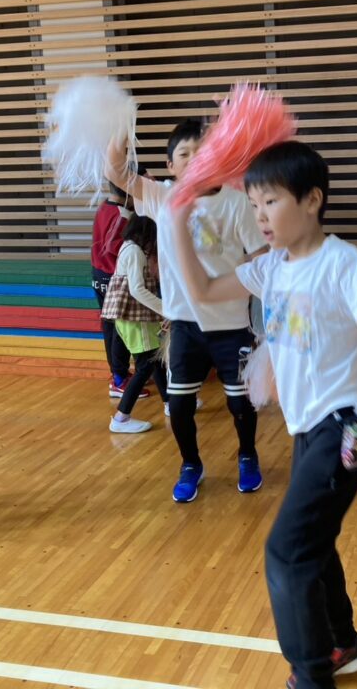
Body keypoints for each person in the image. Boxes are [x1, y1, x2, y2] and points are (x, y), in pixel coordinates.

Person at [172, 140, 357, 689]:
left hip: (349, 423)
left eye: (271, 202)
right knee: (314, 541)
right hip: (311, 428)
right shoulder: (270, 268)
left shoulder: (342, 261)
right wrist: (177, 224)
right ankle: (342, 643)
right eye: (254, 205)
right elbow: (204, 290)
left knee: (286, 552)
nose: (260, 216)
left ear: (312, 200)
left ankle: (311, 676)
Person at [106, 119, 267, 503]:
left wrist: (256, 290)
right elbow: (115, 171)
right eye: (185, 154)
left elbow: (261, 255)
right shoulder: (163, 197)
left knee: (240, 402)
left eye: (203, 151)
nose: (195, 159)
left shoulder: (236, 202)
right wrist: (121, 121)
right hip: (184, 326)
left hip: (231, 325)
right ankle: (191, 464)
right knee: (178, 405)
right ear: (171, 166)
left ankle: (247, 455)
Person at [108, 214, 169, 433]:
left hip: (135, 318)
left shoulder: (128, 247)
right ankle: (121, 418)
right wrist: (165, 309)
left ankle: (170, 403)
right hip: (135, 320)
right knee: (146, 366)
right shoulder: (134, 251)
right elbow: (137, 290)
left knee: (156, 359)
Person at [91, 178, 138, 399]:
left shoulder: (104, 206)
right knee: (120, 328)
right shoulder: (122, 214)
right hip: (113, 276)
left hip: (98, 273)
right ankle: (119, 379)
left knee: (110, 326)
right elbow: (112, 246)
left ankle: (118, 374)